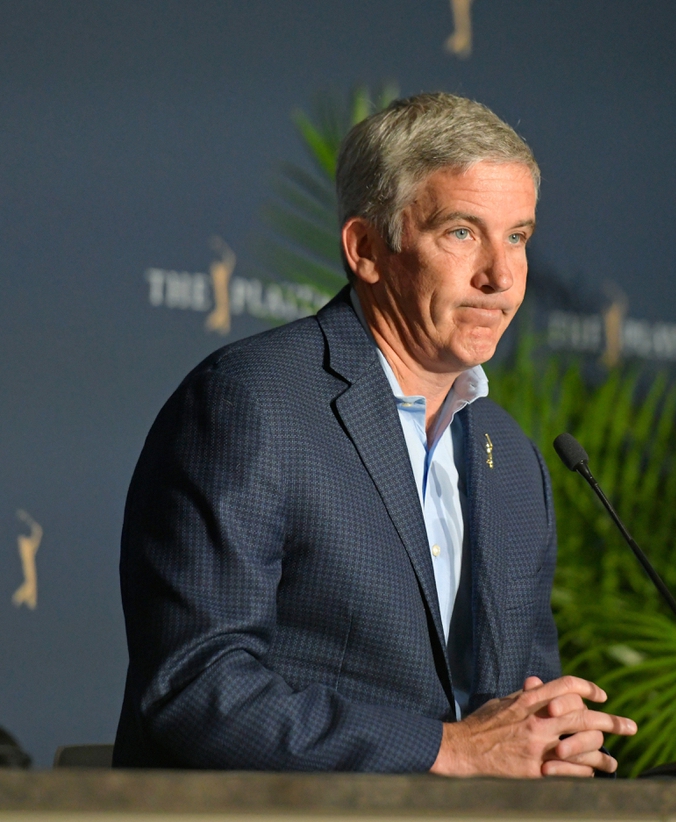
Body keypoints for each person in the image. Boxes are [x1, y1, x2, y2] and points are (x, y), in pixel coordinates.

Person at [113, 92, 636, 776]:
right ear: (365, 248)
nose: (500, 277)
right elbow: (197, 686)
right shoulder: (252, 403)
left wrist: (549, 740)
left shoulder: (511, 457)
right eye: (461, 232)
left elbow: (509, 717)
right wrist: (449, 750)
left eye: (517, 237)